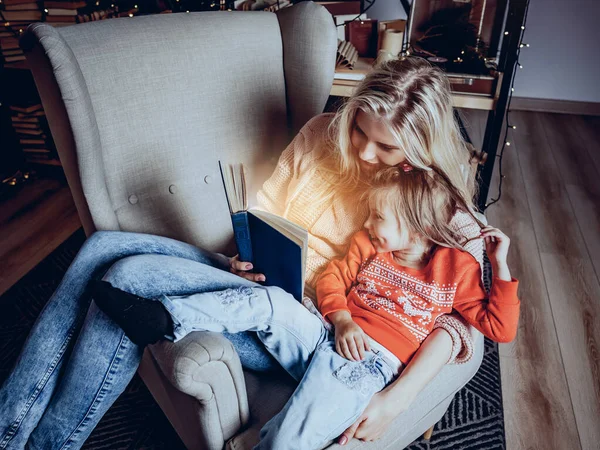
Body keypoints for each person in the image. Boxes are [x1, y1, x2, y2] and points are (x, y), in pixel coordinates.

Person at [0, 57, 483, 449]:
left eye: (387, 148)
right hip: (252, 282)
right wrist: (243, 253)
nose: (364, 153)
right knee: (101, 247)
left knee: (128, 276)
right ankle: (10, 430)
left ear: (420, 151)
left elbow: (463, 318)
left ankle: (46, 442)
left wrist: (395, 402)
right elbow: (268, 208)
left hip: (304, 327)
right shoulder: (321, 132)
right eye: (360, 131)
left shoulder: (430, 200)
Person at [92, 165, 520, 450]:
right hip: (328, 332)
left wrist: (499, 268)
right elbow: (332, 278)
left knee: (299, 427)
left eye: (379, 217)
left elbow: (498, 327)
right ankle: (167, 318)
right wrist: (343, 318)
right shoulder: (368, 245)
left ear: (416, 225)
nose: (368, 224)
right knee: (273, 303)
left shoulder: (455, 270)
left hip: (369, 365)